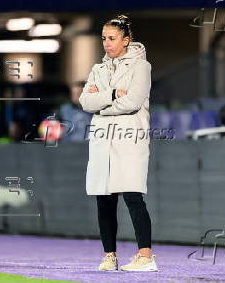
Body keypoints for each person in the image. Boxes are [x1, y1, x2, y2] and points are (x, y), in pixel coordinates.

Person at [78, 14, 158, 272]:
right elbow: (84, 102)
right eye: (103, 38)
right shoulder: (97, 69)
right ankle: (109, 255)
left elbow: (133, 101)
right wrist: (111, 95)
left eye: (112, 38)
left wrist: (100, 106)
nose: (107, 43)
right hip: (103, 140)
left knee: (134, 196)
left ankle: (145, 256)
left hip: (130, 139)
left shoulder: (141, 67)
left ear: (126, 40)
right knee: (104, 198)